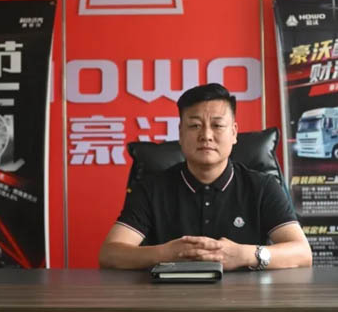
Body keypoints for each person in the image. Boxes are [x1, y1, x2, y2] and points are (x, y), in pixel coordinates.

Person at [99, 83, 312, 270]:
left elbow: (302, 253)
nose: (206, 136)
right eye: (195, 126)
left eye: (217, 125)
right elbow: (110, 254)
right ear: (180, 133)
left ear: (234, 133)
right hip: (169, 297)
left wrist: (245, 255)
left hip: (245, 297)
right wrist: (166, 253)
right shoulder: (151, 189)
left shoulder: (263, 186)